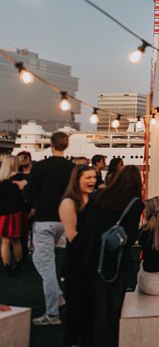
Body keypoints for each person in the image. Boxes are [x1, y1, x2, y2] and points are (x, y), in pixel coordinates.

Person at [76, 165, 144, 347]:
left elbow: (84, 223)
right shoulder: (135, 203)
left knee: (93, 305)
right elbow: (129, 236)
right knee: (112, 308)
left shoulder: (100, 196)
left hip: (91, 256)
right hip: (115, 261)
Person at [25, 131, 74, 326]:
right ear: (66, 145)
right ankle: (59, 296)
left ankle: (52, 313)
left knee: (46, 266)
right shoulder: (72, 168)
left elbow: (30, 192)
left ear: (51, 144)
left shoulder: (41, 167)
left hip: (44, 220)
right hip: (65, 220)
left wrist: (30, 206)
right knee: (41, 260)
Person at [58, 165, 96, 346]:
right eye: (88, 178)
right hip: (76, 261)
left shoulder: (93, 199)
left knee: (89, 307)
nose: (92, 181)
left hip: (91, 260)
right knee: (75, 308)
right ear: (77, 179)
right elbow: (72, 235)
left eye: (94, 177)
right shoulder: (69, 203)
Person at [0, 156, 27, 277]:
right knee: (16, 240)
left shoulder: (1, 180)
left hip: (3, 214)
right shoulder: (22, 179)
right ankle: (19, 264)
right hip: (17, 212)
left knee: (5, 241)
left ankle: (7, 267)